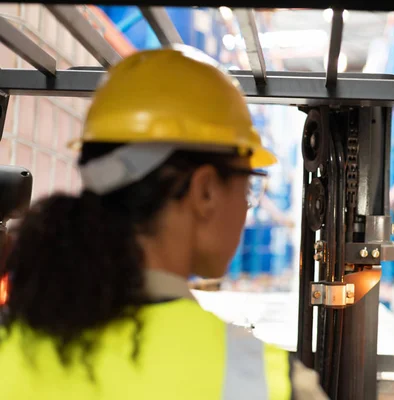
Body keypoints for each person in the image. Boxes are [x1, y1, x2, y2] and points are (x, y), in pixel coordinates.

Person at [0, 45, 328, 400]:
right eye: (248, 184)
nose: (247, 206)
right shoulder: (265, 382)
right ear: (204, 191)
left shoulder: (12, 345)